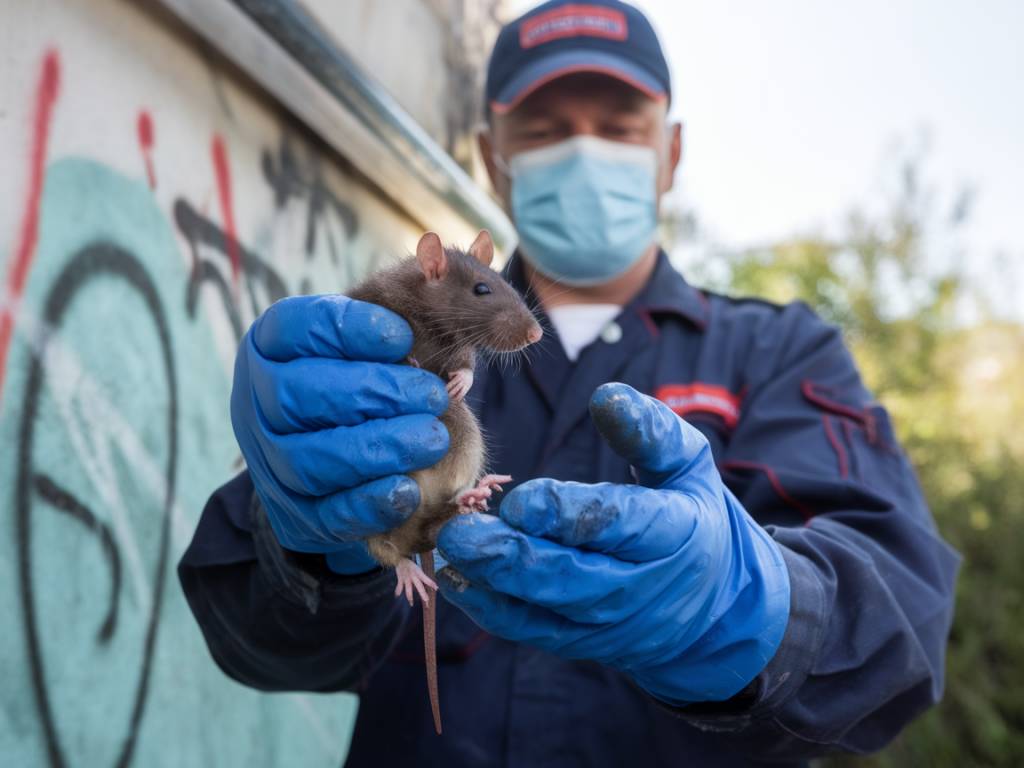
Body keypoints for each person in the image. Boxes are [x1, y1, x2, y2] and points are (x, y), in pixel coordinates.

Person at [179, 1, 960, 765]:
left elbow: (901, 630)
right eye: (547, 130)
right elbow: (262, 651)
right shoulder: (387, 340)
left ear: (671, 152)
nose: (585, 152)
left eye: (620, 127)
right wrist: (309, 546)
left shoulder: (781, 351)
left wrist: (755, 608)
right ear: (493, 159)